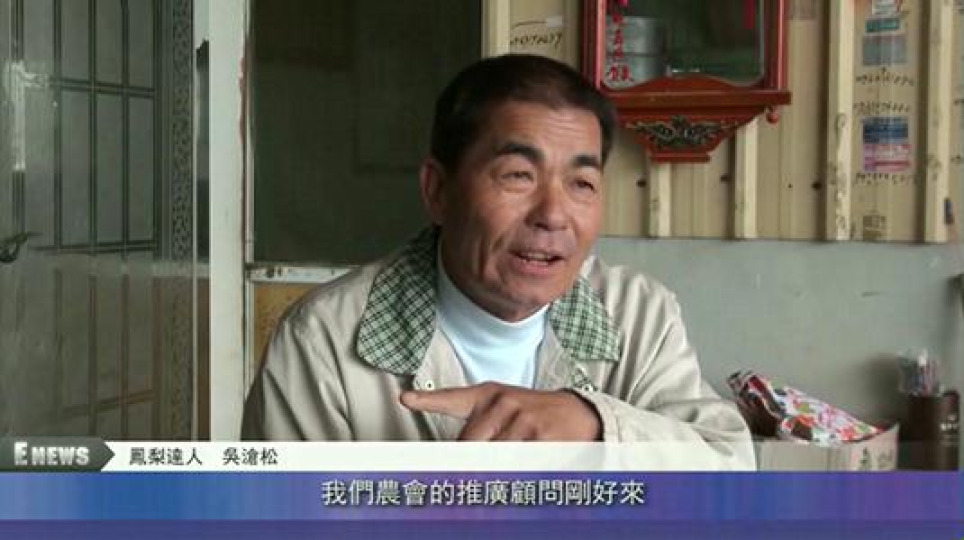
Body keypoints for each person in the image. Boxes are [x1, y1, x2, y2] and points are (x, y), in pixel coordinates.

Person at [241, 54, 753, 468]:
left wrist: (595, 426)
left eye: (581, 183)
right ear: (438, 191)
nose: (553, 215)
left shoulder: (637, 315)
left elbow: (727, 465)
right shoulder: (326, 341)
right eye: (518, 176)